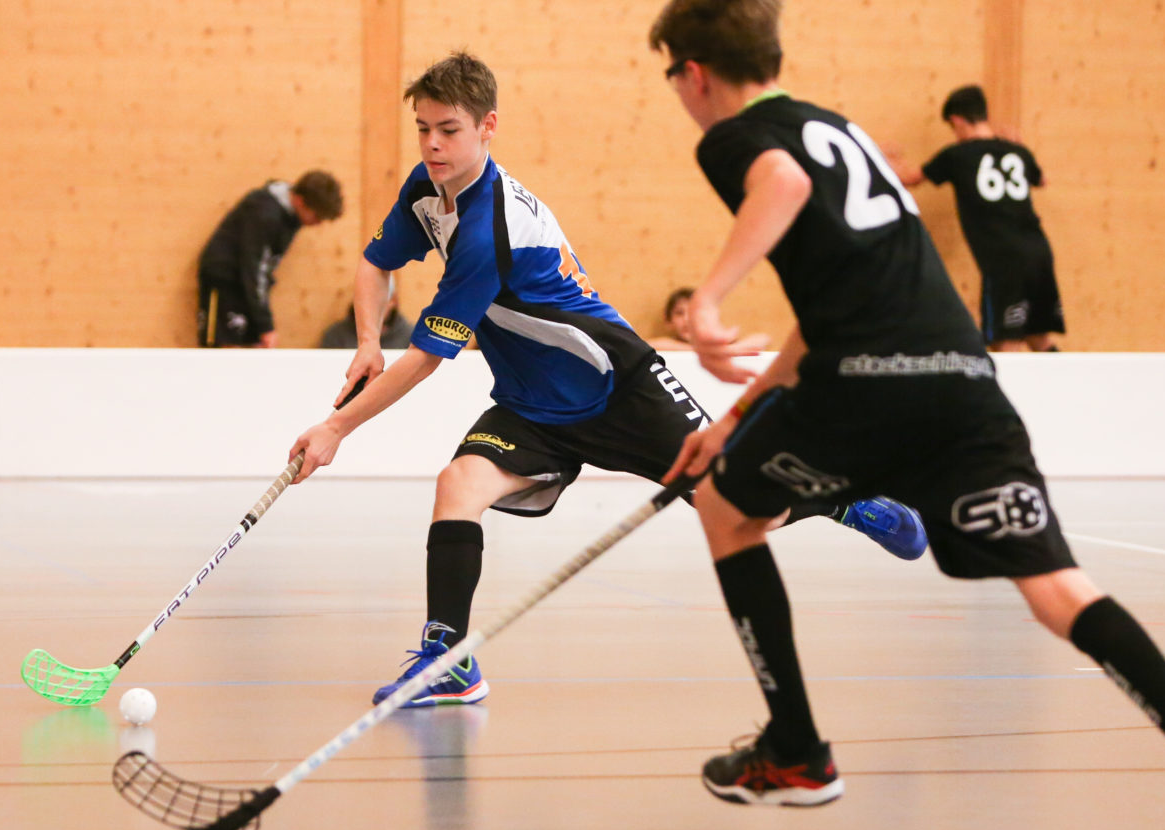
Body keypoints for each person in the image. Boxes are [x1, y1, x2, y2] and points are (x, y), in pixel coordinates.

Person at [649, 0, 1165, 808]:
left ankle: (796, 748)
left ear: (694, 73)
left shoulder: (735, 138)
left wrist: (710, 301)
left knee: (725, 508)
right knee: (1058, 587)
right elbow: (827, 307)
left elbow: (780, 182)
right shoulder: (841, 128)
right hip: (963, 381)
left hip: (864, 382)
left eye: (674, 79)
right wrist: (732, 417)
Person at [288, 51, 927, 711]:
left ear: (488, 127)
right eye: (423, 128)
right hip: (533, 403)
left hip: (619, 383)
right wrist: (367, 342)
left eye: (448, 129)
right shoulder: (426, 188)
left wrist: (337, 427)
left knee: (744, 507)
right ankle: (450, 659)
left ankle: (845, 498)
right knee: (460, 483)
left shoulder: (490, 232)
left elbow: (424, 358)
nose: (432, 144)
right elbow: (375, 263)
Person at [887, 85, 1064, 352]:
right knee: (1038, 337)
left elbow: (909, 179)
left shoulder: (956, 155)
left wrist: (884, 159)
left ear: (957, 121)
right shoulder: (1016, 151)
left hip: (1004, 259)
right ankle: (1063, 389)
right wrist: (1019, 147)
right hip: (1039, 251)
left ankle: (1011, 395)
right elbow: (1042, 180)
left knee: (1006, 340)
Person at [197, 171, 344, 348]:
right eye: (317, 216)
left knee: (255, 347)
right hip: (224, 281)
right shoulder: (264, 213)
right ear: (299, 200)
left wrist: (262, 324)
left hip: (245, 287)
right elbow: (254, 268)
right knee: (225, 348)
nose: (318, 223)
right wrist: (266, 326)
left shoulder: (290, 218)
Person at [648, 286, 770, 352]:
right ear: (668, 322)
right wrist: (705, 352)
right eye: (680, 313)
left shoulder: (724, 345)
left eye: (693, 312)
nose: (687, 319)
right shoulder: (668, 346)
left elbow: (763, 339)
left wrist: (727, 349)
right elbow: (650, 345)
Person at [319, 276, 414, 349]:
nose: (372, 308)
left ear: (393, 301)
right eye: (365, 301)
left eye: (379, 302)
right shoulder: (337, 336)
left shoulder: (410, 337)